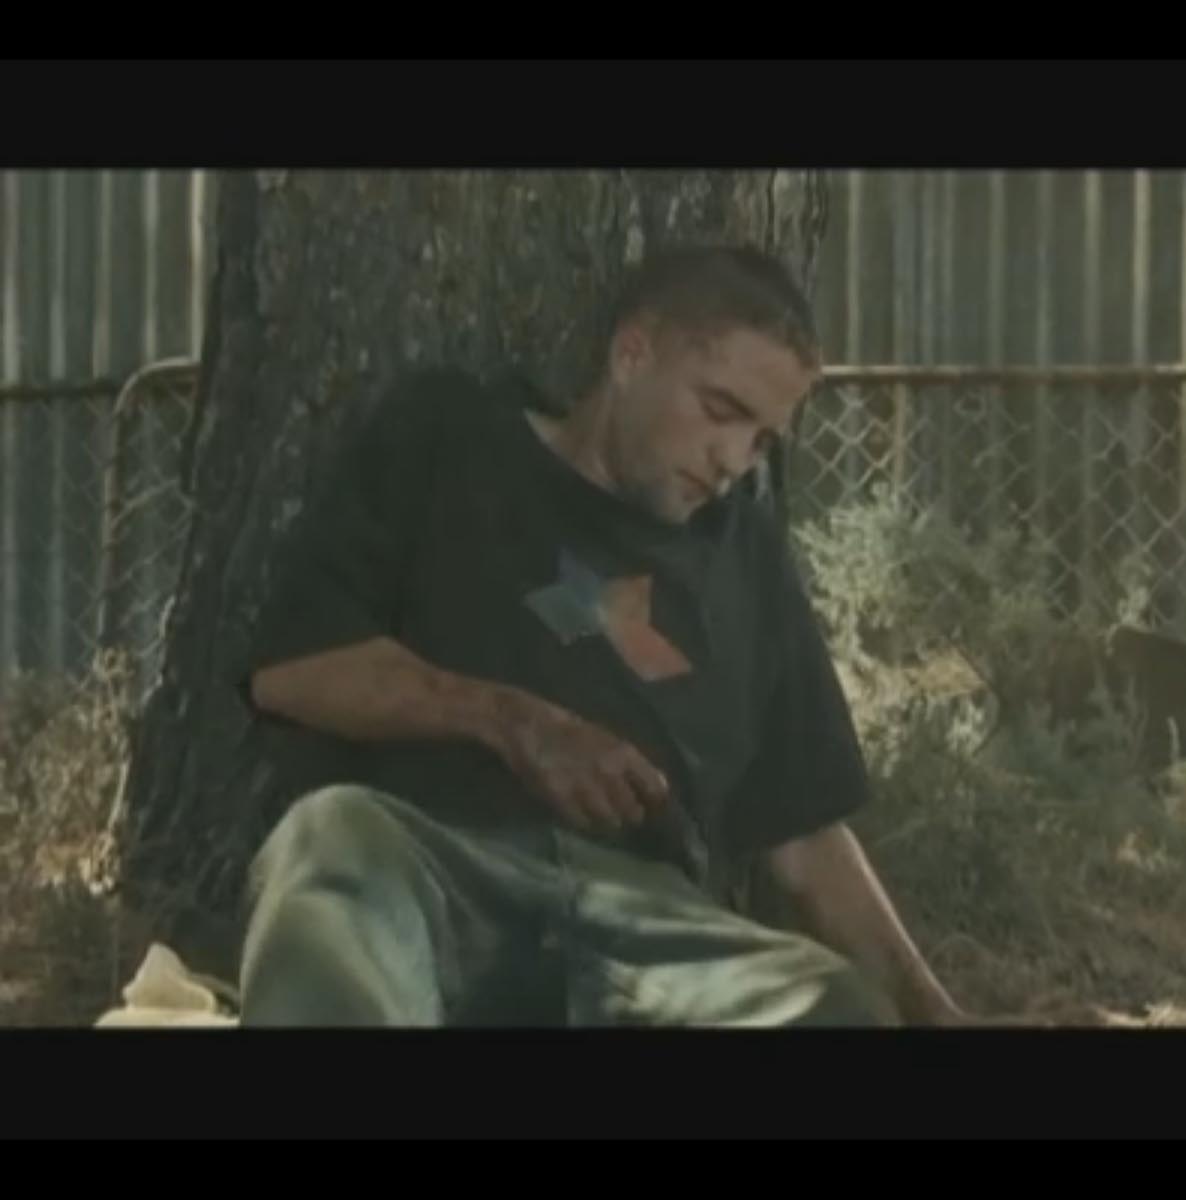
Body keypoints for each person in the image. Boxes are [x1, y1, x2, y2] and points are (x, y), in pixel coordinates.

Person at [236, 243, 979, 1027]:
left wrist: (938, 1015)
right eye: (721, 411)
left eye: (762, 440)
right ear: (632, 354)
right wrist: (515, 722)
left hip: (649, 924)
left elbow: (806, 836)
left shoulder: (742, 550)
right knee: (328, 842)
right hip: (439, 871)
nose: (734, 459)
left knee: (837, 1005)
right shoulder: (452, 439)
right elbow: (294, 673)